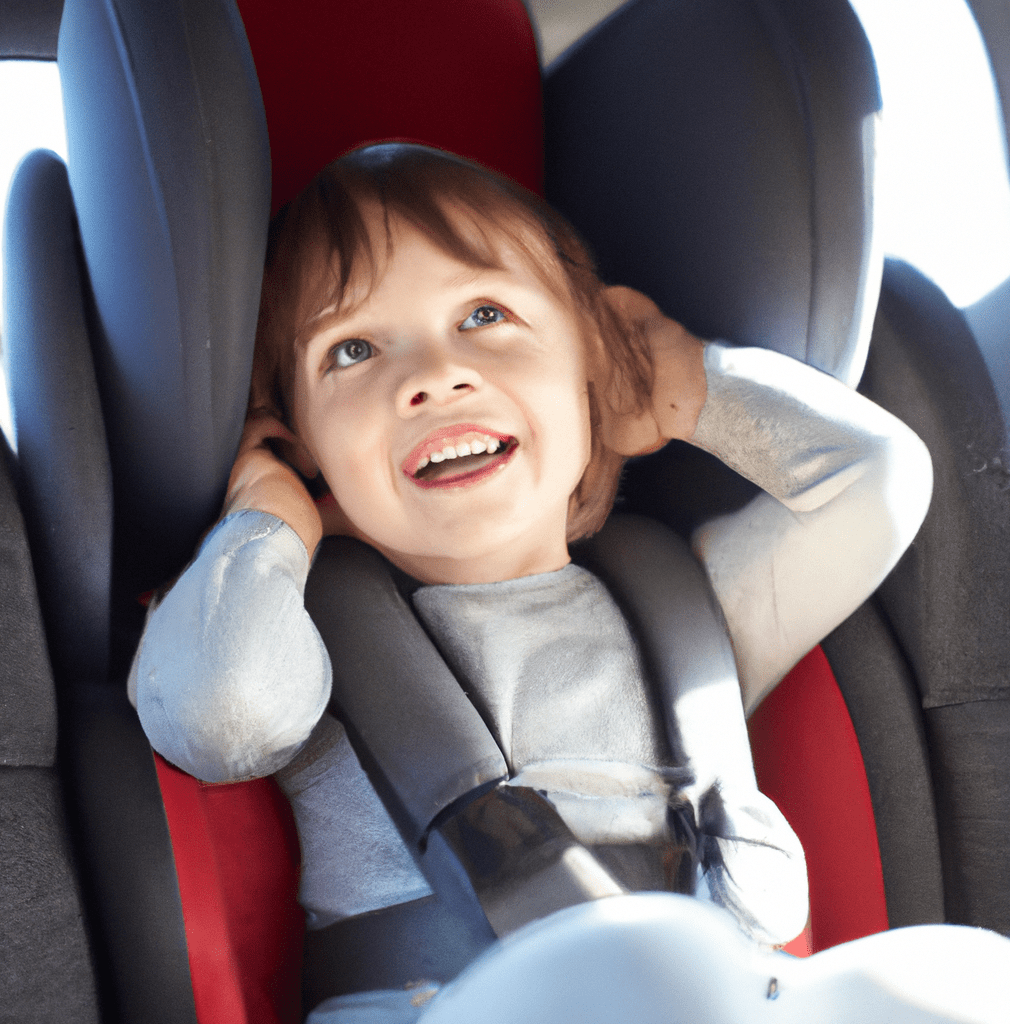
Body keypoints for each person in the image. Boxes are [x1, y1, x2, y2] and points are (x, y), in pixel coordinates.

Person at [129, 143, 934, 1021]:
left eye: (483, 314)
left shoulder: (684, 614)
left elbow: (878, 481)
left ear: (589, 365)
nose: (434, 376)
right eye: (352, 350)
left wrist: (685, 381)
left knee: (954, 985)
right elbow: (221, 715)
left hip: (704, 997)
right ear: (300, 439)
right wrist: (270, 520)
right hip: (451, 1002)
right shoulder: (297, 629)